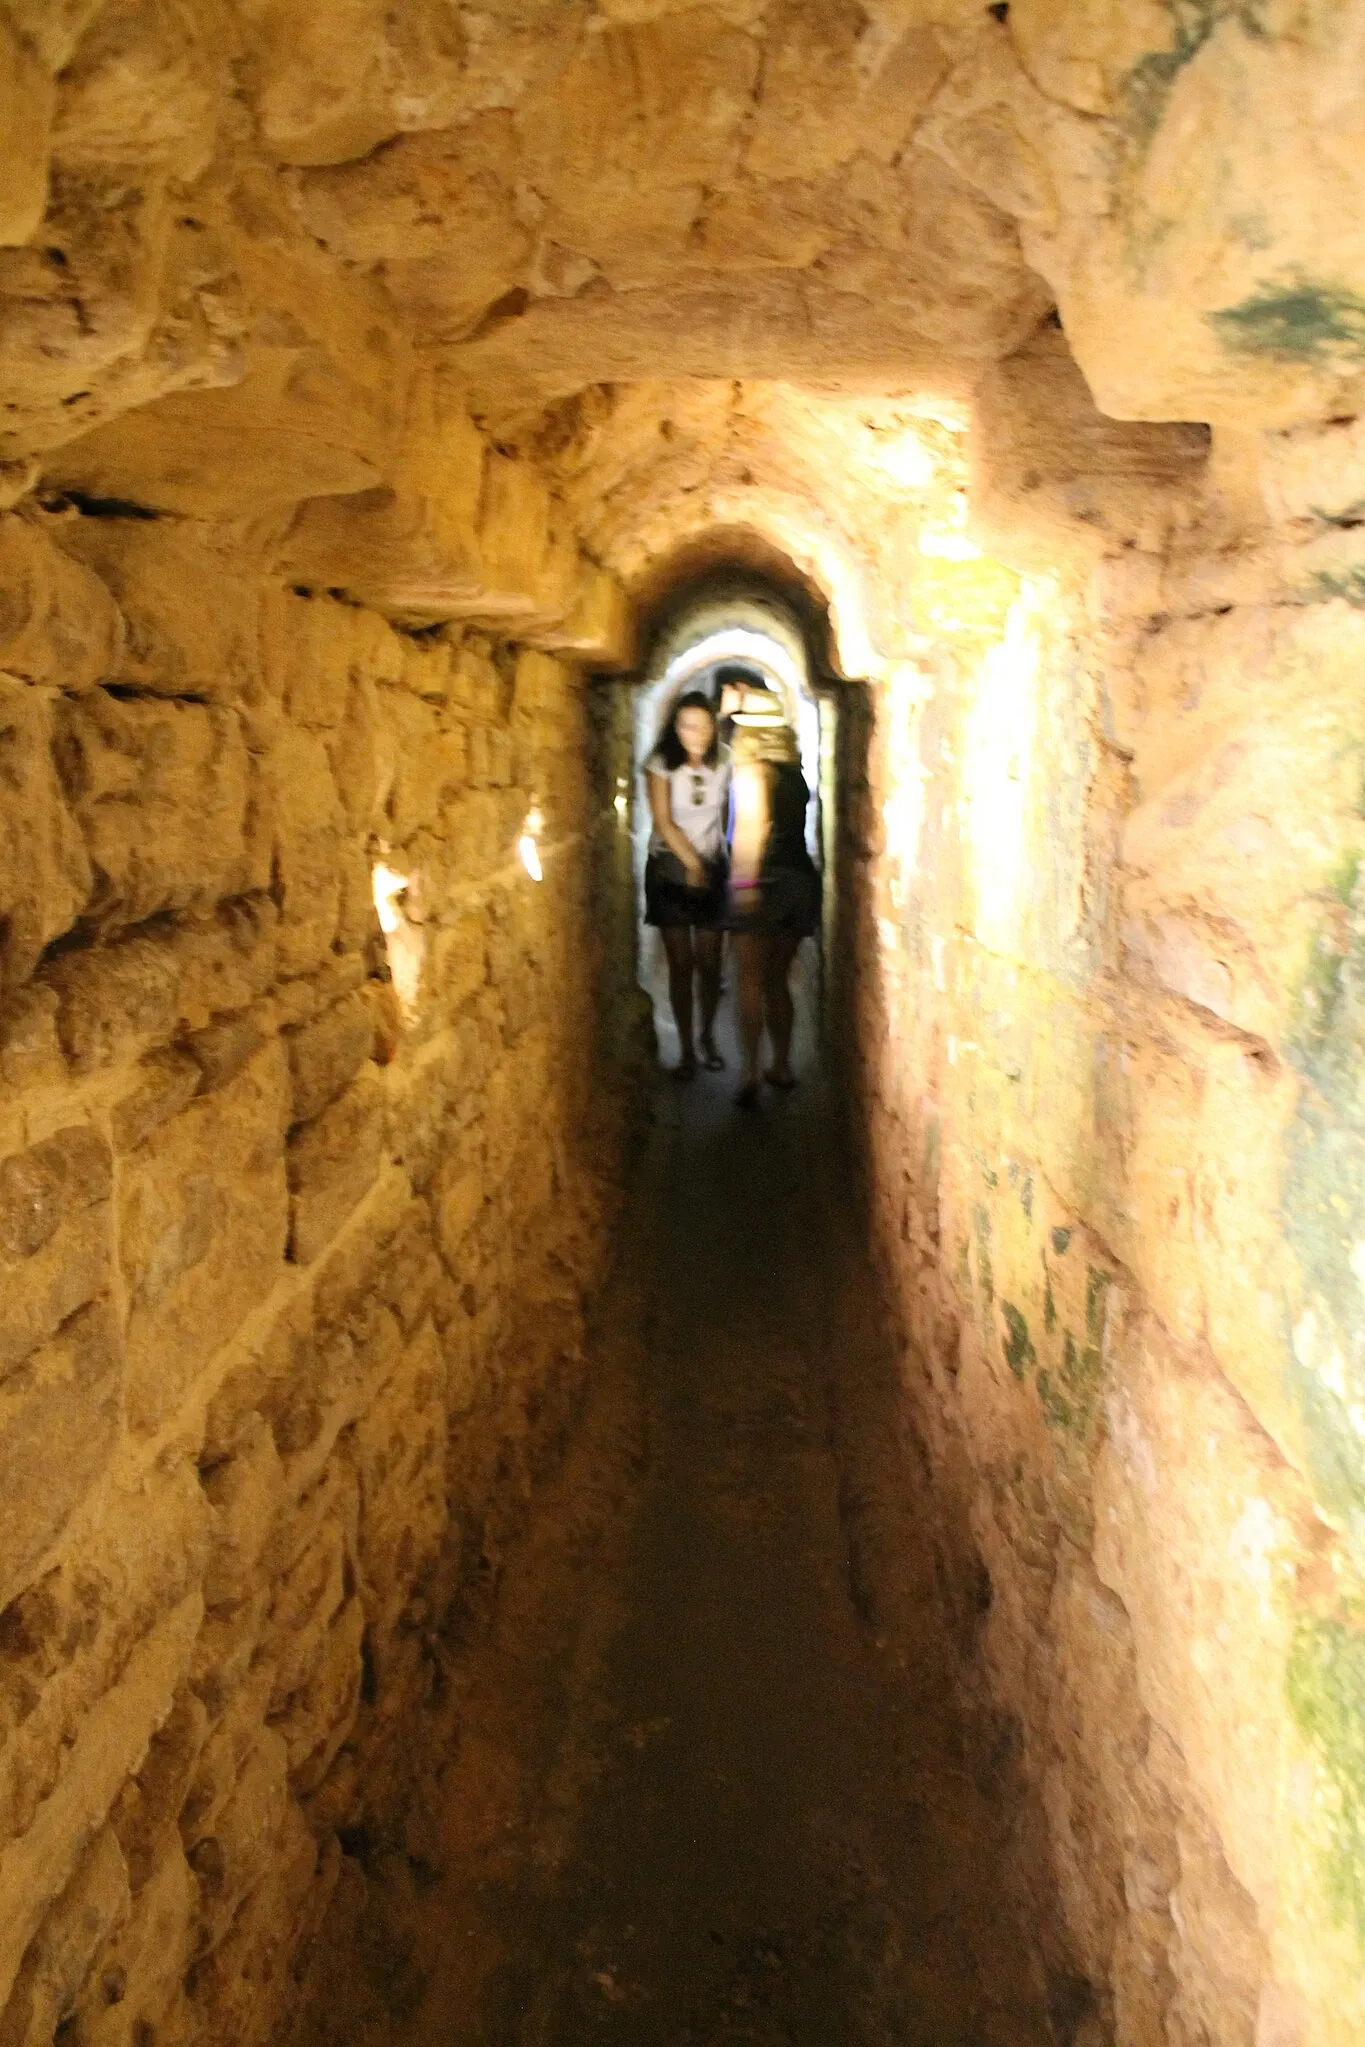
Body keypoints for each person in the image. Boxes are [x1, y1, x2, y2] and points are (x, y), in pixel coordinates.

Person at [722, 685, 821, 1109]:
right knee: (779, 980)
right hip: (800, 880)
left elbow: (751, 828)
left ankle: (749, 1072)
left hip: (765, 883)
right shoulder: (794, 772)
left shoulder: (752, 770)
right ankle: (781, 1064)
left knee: (749, 981)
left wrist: (741, 887)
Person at [644, 689, 731, 1078]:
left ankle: (708, 1035)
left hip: (711, 868)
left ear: (713, 727)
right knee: (681, 964)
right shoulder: (661, 763)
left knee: (710, 964)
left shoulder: (724, 761)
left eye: (701, 725)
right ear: (674, 727)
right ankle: (685, 1050)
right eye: (686, 725)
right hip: (669, 870)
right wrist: (691, 864)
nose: (694, 733)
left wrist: (716, 861)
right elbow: (663, 820)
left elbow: (727, 813)